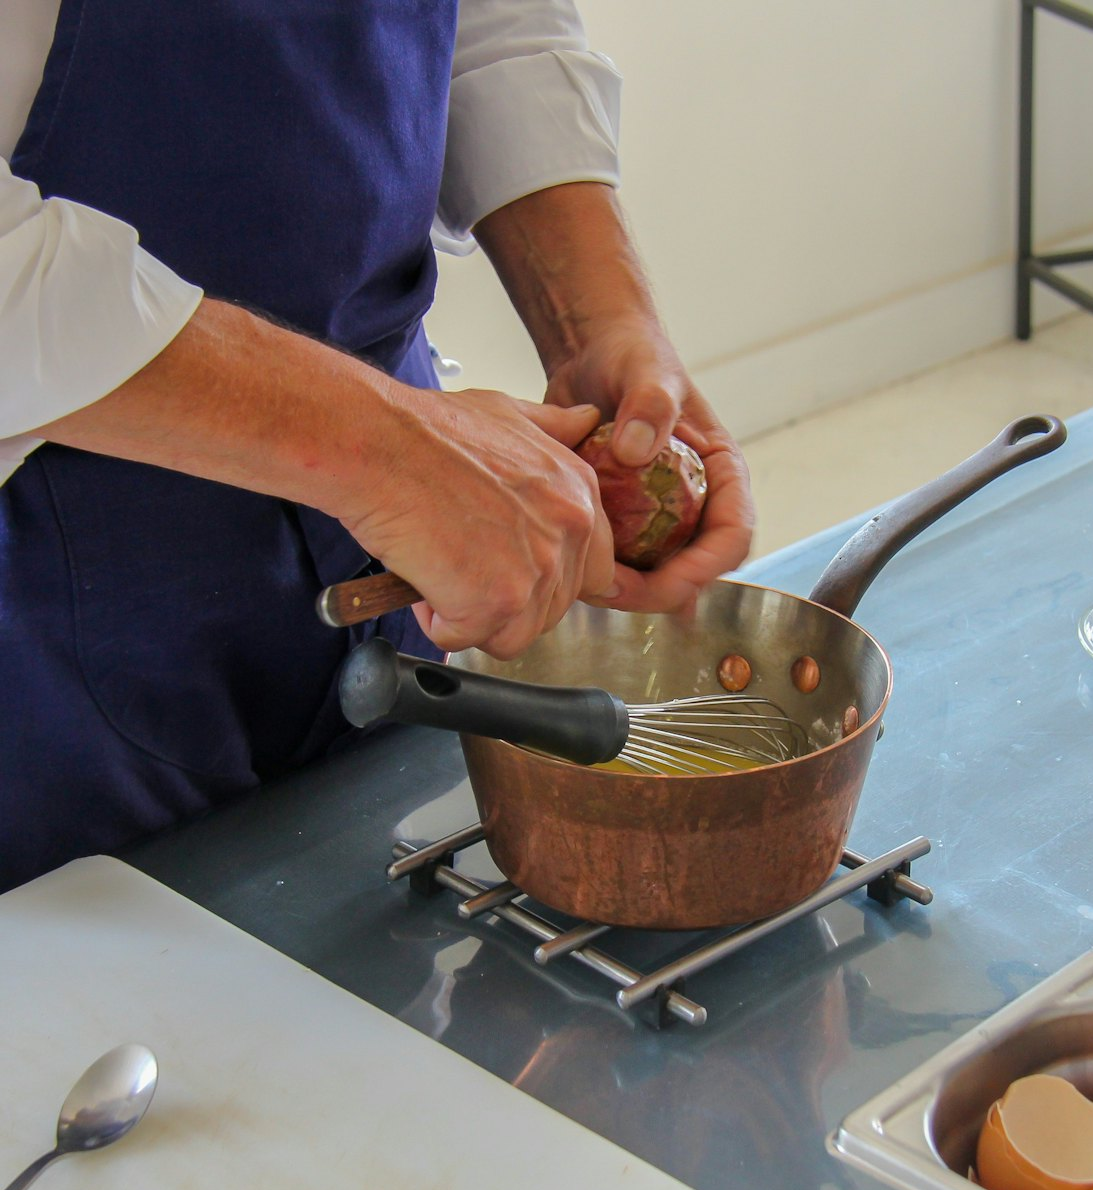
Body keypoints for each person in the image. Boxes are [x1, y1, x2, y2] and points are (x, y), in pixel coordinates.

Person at [0, 0, 755, 891]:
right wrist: (389, 451)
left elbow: (488, 19)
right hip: (49, 602)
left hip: (397, 525)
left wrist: (593, 320)